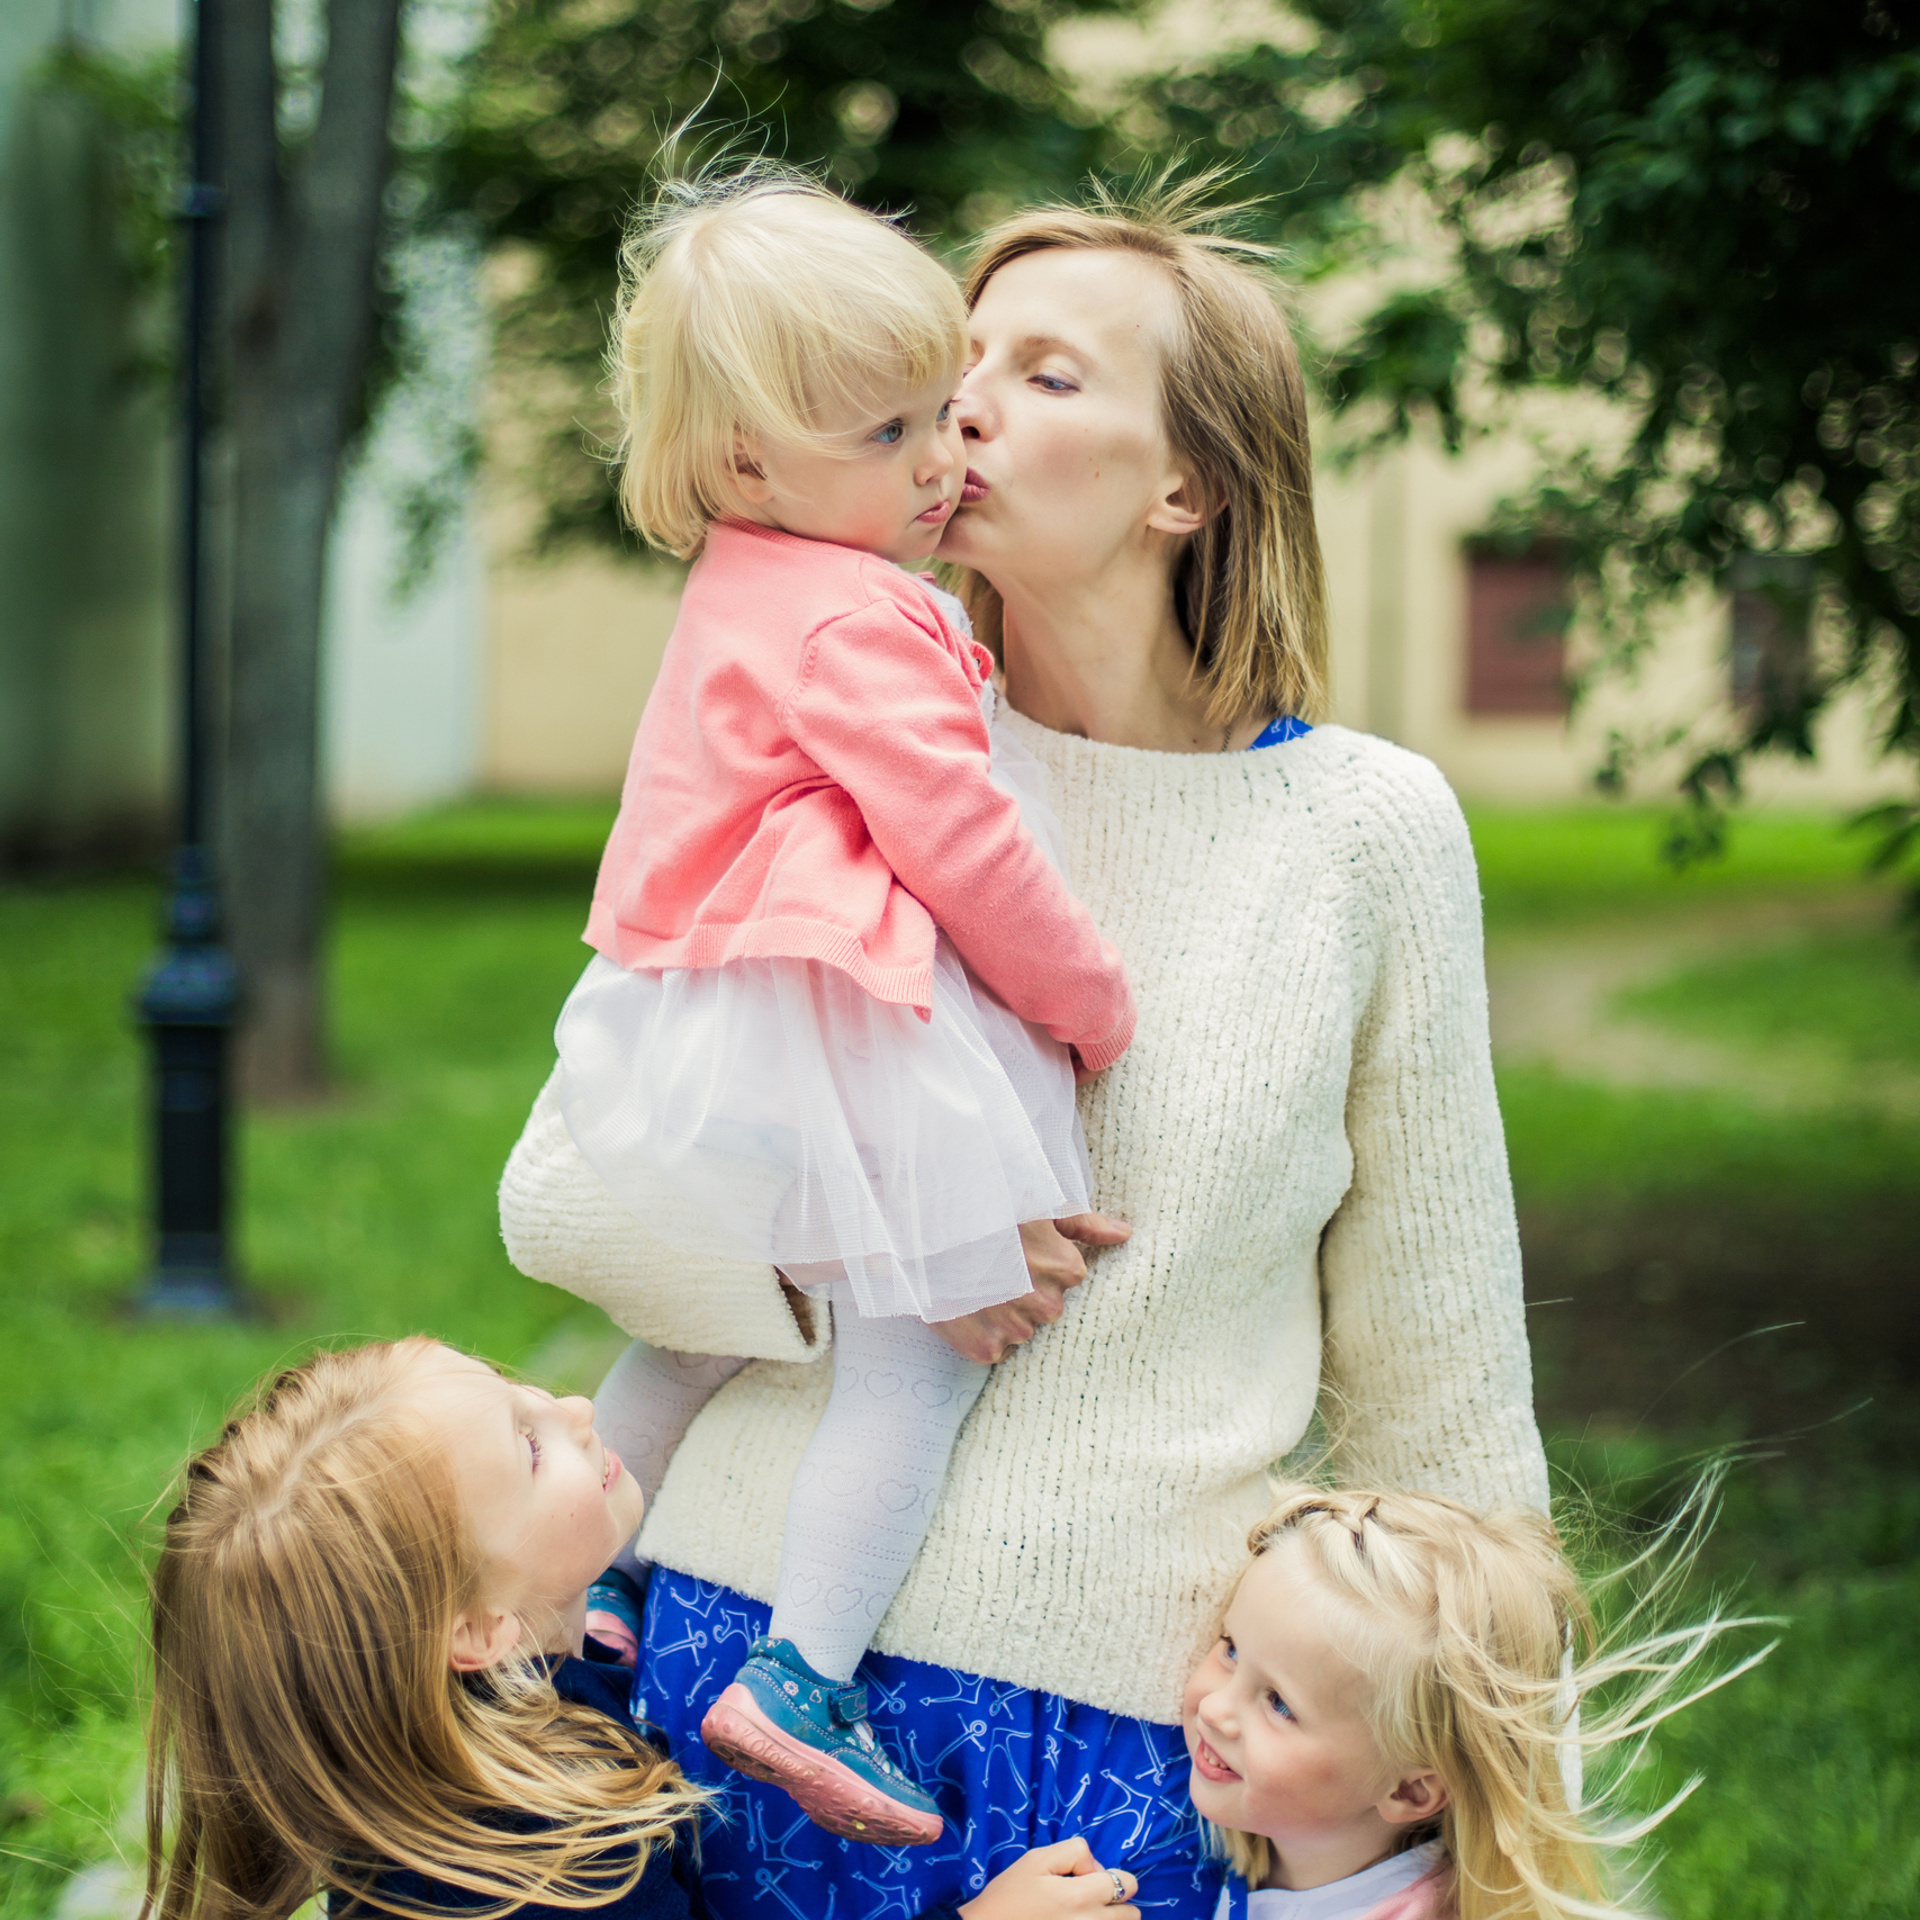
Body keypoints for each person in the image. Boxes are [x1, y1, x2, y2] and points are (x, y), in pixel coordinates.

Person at [499, 179, 1551, 1919]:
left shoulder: (1366, 833)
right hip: (724, 1661)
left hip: (1129, 1755)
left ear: (1185, 484)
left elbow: (1439, 1378)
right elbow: (566, 1200)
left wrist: (1510, 1795)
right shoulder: (831, 703)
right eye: (955, 359)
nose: (968, 401)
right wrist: (870, 1251)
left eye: (1049, 375)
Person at [551, 166, 1138, 1846]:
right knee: (916, 1363)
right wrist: (1088, 1005)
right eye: (893, 439)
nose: (941, 461)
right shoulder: (857, 622)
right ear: (750, 460)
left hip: (687, 1015)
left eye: (941, 418)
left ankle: (588, 1575)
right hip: (825, 1024)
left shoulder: (745, 578)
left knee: (699, 1329)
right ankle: (805, 1677)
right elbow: (966, 852)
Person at [139, 1338, 1147, 1920]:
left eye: (520, 1391)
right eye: (530, 1450)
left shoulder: (494, 1759)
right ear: (479, 1629)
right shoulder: (524, 1875)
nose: (576, 1406)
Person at [1186, 1482, 1758, 1920]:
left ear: (1410, 1789)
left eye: (1280, 1705)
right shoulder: (1201, 1813)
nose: (1215, 1710)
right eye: (1232, 1650)